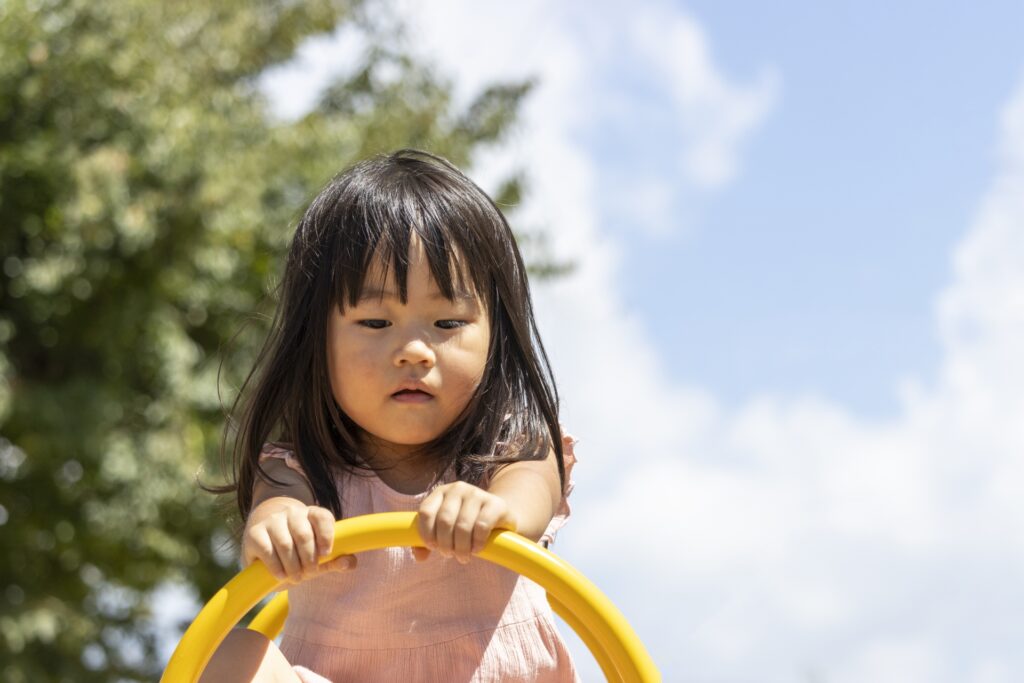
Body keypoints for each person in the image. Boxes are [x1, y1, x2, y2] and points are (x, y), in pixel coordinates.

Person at [201, 149, 580, 682]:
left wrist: (494, 512)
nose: (414, 351)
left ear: (495, 336)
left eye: (447, 322)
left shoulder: (513, 451)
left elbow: (527, 501)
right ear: (317, 342)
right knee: (230, 651)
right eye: (376, 322)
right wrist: (282, 532)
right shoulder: (300, 470)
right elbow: (273, 517)